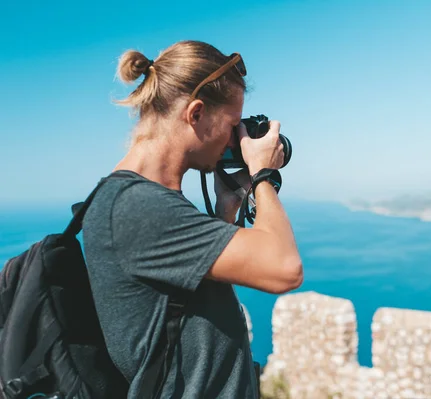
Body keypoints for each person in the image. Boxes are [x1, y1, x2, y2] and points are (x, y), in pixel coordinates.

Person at [81, 40, 303, 399]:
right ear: (196, 114)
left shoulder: (148, 200)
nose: (236, 140)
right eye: (233, 124)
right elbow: (285, 267)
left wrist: (226, 209)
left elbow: (185, 306)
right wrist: (263, 173)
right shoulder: (137, 206)